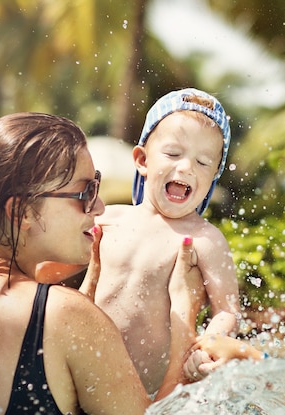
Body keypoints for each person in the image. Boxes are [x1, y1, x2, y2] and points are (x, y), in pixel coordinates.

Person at [0, 112, 262, 415]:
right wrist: (184, 324)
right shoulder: (66, 316)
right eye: (85, 192)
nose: (100, 207)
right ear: (22, 212)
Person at [93, 88, 240, 395]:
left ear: (214, 176)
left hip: (154, 391)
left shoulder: (205, 240)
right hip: (88, 373)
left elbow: (227, 310)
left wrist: (211, 343)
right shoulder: (109, 219)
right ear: (142, 160)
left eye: (203, 162)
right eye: (173, 154)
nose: (186, 167)